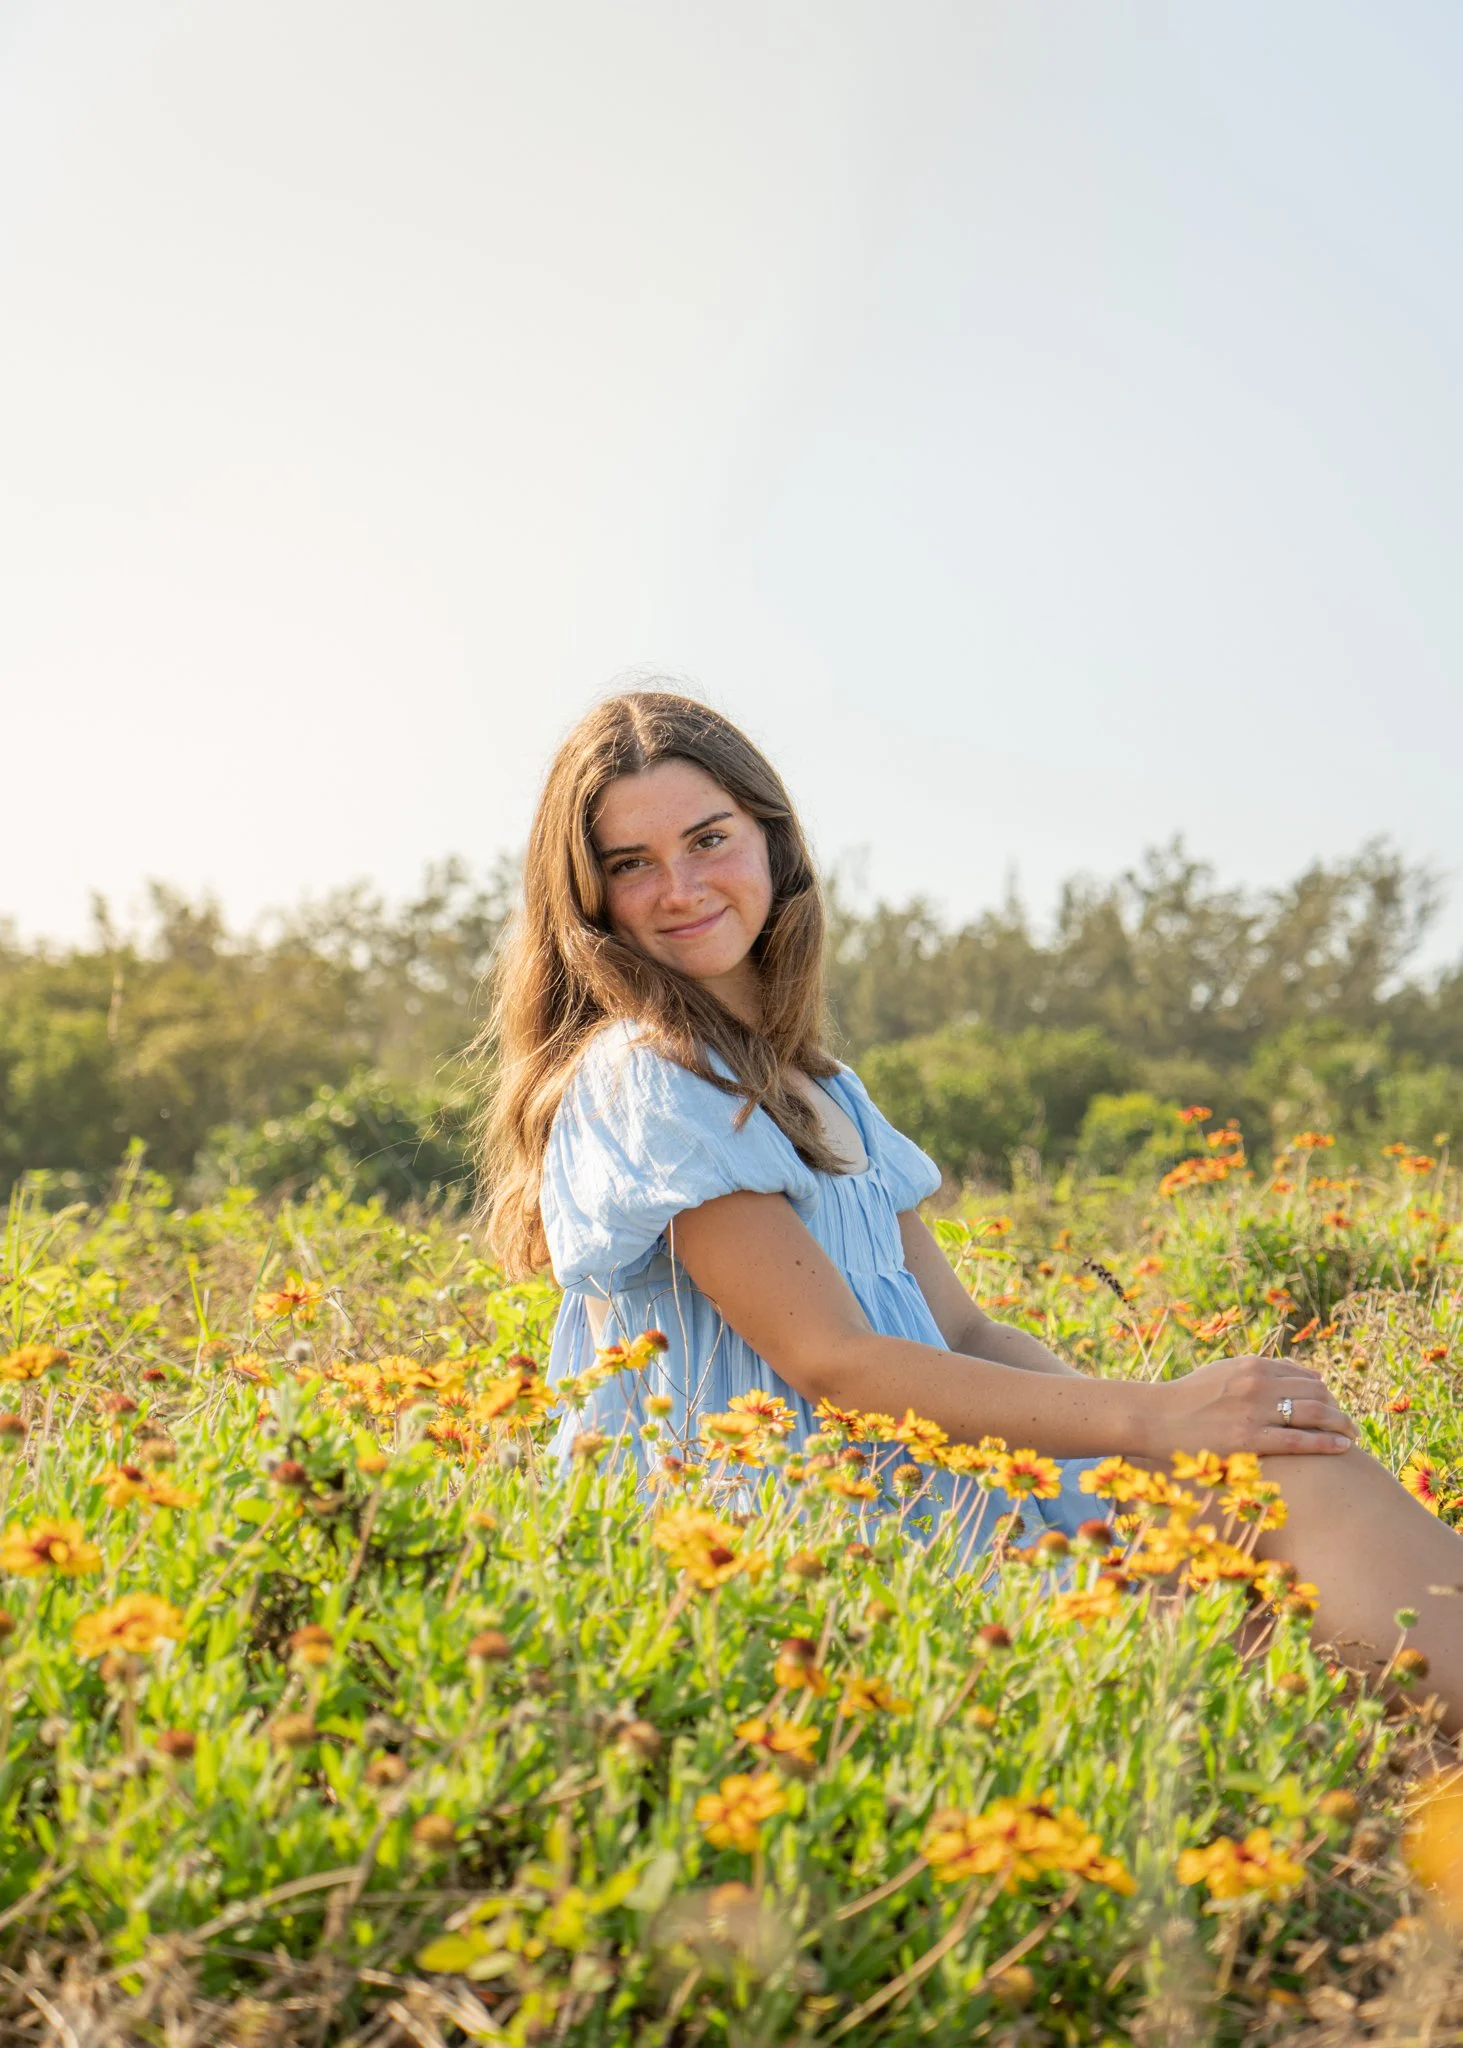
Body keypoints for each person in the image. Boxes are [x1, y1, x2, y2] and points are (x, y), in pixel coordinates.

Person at [482, 689, 1463, 1729]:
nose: (678, 887)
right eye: (630, 862)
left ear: (772, 842)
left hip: (926, 1477)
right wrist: (1156, 1416)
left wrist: (1168, 1427)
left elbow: (961, 1328)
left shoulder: (822, 1087)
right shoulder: (643, 1073)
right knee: (1249, 1604)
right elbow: (834, 1364)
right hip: (796, 1534)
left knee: (1269, 1475)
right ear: (586, 896)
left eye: (707, 838)